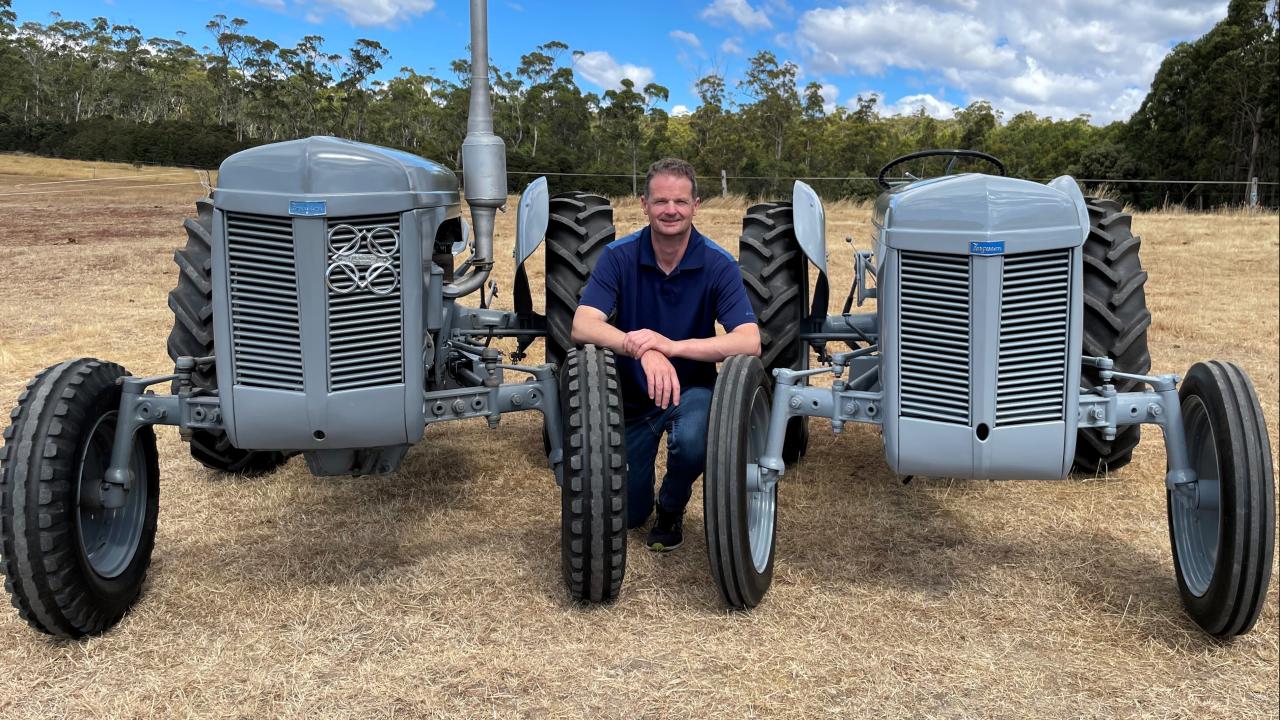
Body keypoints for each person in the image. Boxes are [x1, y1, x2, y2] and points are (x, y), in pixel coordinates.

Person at [571, 158, 761, 552]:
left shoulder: (717, 264)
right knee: (632, 516)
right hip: (632, 401)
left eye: (679, 201)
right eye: (660, 201)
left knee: (693, 441)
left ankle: (673, 504)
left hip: (691, 391)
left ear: (696, 204)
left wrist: (671, 347)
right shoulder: (618, 256)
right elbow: (583, 325)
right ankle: (646, 502)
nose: (670, 210)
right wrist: (640, 349)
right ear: (644, 204)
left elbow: (749, 340)